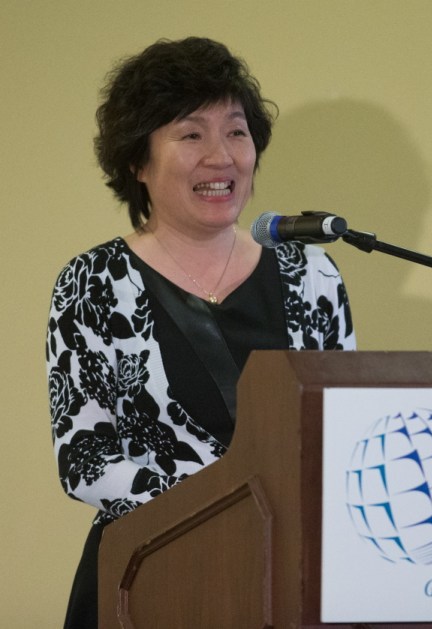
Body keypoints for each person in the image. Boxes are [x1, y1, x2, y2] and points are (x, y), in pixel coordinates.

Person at [46, 37, 356, 628]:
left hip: (288, 577)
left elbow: (339, 431)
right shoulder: (92, 283)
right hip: (151, 573)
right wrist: (226, 508)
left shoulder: (310, 273)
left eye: (236, 132)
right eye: (191, 135)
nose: (222, 157)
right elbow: (83, 457)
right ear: (138, 161)